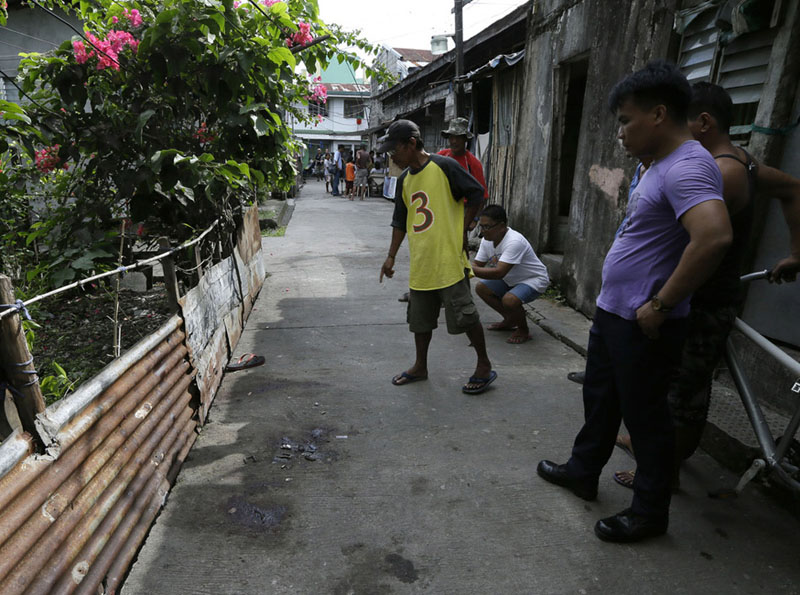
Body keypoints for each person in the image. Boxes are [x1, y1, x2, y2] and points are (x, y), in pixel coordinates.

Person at [536, 60, 733, 543]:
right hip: (615, 311)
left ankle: (648, 512)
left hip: (646, 320)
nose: (620, 132)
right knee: (601, 399)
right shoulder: (656, 165)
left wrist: (661, 305)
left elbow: (713, 237)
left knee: (646, 417)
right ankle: (584, 471)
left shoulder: (688, 166)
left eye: (626, 120)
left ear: (660, 114)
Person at [610, 81, 800, 490]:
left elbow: (707, 241)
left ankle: (661, 475)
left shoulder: (716, 171)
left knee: (683, 390)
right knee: (673, 383)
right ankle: (656, 455)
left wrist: (661, 302)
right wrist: (796, 253)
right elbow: (792, 188)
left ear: (704, 122)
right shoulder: (743, 162)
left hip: (702, 298)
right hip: (703, 294)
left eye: (680, 120)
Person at [378, 119, 496, 394]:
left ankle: (484, 365)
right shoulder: (405, 180)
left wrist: (465, 227)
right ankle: (420, 366)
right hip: (422, 263)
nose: (392, 156)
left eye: (394, 149)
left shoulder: (444, 167)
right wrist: (391, 257)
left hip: (448, 261)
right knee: (419, 321)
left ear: (411, 144)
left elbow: (477, 193)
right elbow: (400, 220)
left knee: (466, 316)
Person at [471, 204, 549, 344]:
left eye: (487, 227)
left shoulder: (514, 241)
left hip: (533, 279)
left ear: (501, 226)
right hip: (510, 279)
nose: (483, 231)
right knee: (481, 288)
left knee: (510, 300)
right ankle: (510, 319)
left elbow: (499, 272)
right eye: (481, 226)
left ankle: (523, 330)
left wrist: (467, 269)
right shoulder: (486, 240)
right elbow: (477, 265)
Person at [438, 117, 489, 229]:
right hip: (442, 207)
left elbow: (482, 195)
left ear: (465, 139)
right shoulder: (441, 156)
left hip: (464, 210)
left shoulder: (473, 163)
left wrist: (474, 219)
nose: (454, 141)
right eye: (451, 137)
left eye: (458, 137)